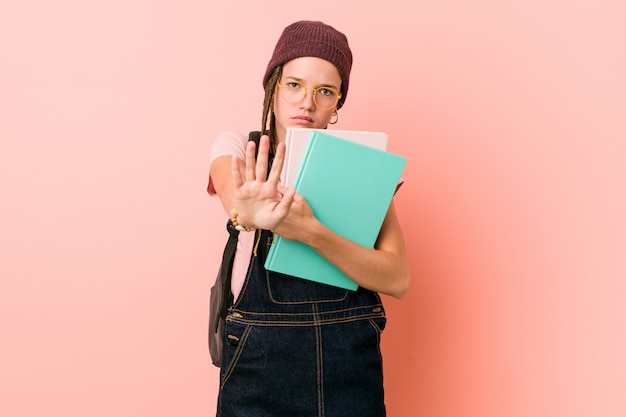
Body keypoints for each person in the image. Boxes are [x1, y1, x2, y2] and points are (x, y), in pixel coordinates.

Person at [207, 20, 410, 417]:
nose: (307, 103)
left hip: (349, 370)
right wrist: (245, 214)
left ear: (337, 104)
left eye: (325, 92)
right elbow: (234, 197)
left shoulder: (364, 171)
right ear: (273, 87)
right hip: (256, 370)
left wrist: (312, 231)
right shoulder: (237, 150)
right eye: (295, 85)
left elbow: (398, 278)